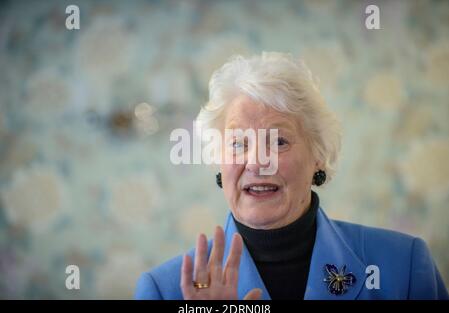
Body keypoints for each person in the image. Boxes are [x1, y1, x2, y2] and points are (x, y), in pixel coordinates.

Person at [135, 52, 448, 300]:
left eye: (279, 141)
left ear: (318, 156)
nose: (258, 162)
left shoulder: (403, 266)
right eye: (238, 144)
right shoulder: (163, 290)